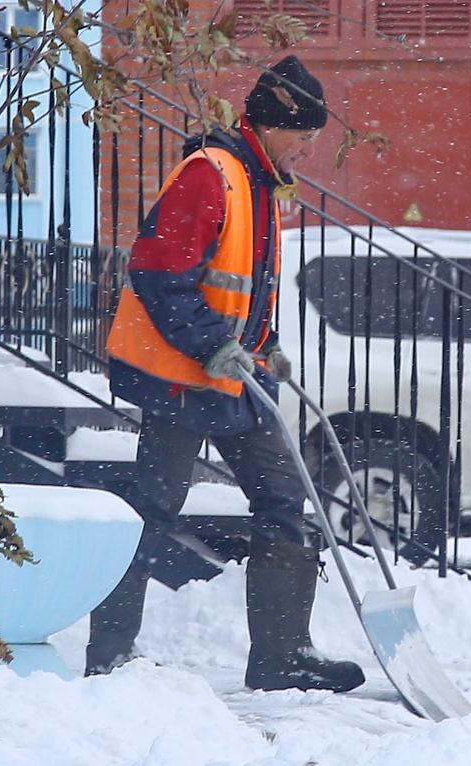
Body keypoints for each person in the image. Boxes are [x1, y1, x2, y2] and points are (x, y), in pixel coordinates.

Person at [88, 55, 366, 693]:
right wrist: (214, 345)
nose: (308, 149)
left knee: (283, 500)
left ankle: (282, 656)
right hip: (183, 375)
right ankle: (109, 653)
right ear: (271, 125)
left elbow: (233, 289)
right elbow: (158, 272)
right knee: (152, 507)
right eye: (304, 135)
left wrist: (261, 349)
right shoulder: (210, 176)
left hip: (237, 378)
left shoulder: (260, 183)